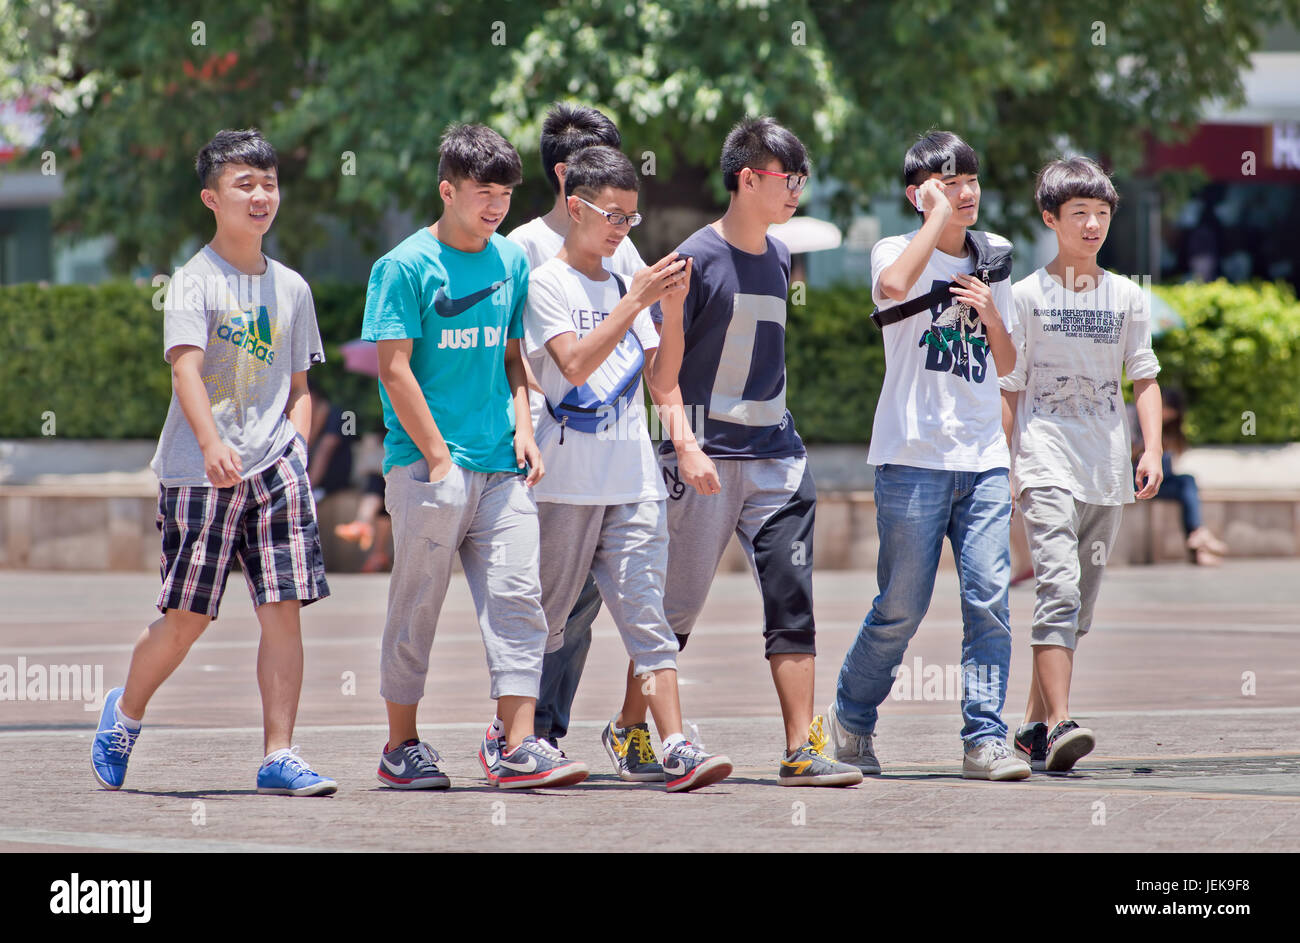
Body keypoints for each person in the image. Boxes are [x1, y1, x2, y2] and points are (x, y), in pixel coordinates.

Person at [92, 128, 335, 796]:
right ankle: (126, 714)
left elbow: (302, 389)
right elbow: (186, 374)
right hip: (200, 472)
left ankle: (279, 754)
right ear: (212, 197)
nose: (261, 196)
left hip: (274, 468)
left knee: (282, 607)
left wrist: (298, 450)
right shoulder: (194, 282)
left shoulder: (292, 289)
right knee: (187, 619)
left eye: (269, 183)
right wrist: (210, 444)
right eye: (244, 184)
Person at [362, 123, 587, 791]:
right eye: (483, 193)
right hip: (428, 468)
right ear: (447, 190)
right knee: (417, 606)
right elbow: (394, 368)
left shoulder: (511, 262)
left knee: (521, 599)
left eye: (506, 195)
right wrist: (436, 457)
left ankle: (517, 744)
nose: (496, 207)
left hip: (500, 465)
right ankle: (400, 745)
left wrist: (524, 424)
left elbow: (516, 360)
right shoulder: (403, 266)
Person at [506, 143, 731, 792]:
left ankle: (676, 741)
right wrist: (632, 303)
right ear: (574, 207)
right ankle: (518, 737)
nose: (621, 229)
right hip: (567, 479)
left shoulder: (624, 281)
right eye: (611, 215)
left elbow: (662, 375)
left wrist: (673, 310)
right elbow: (571, 365)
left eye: (630, 218)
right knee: (544, 621)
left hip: (632, 476)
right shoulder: (546, 279)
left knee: (646, 614)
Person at [648, 116, 862, 787]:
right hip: (703, 461)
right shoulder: (693, 259)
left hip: (776, 457)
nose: (795, 190)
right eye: (785, 178)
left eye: (800, 178)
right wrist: (685, 447)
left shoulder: (778, 254)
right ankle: (632, 724)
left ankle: (802, 747)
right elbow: (663, 375)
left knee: (792, 597)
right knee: (671, 613)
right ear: (747, 179)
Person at [827, 130, 1029, 781]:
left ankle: (985, 739)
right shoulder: (896, 249)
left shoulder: (994, 258)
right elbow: (891, 284)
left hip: (983, 458)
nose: (966, 192)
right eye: (950, 182)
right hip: (912, 457)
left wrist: (990, 310)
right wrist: (936, 218)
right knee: (901, 605)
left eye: (971, 180)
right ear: (920, 194)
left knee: (990, 598)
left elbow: (1008, 362)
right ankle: (852, 718)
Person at [1001, 157, 1164, 772]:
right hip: (1045, 461)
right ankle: (1063, 721)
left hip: (1106, 468)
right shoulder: (1024, 297)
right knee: (1059, 590)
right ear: (1051, 219)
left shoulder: (1127, 296)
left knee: (1078, 610)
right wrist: (1006, 463)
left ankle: (1031, 729)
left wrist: (1151, 448)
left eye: (1101, 214)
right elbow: (1009, 386)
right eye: (1079, 215)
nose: (1093, 225)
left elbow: (1143, 377)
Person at [506, 102, 646, 753]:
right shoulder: (525, 251)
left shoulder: (622, 244)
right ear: (567, 178)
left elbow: (645, 339)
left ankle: (550, 730)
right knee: (550, 602)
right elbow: (514, 355)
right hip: (550, 455)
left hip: (614, 456)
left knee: (586, 605)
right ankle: (520, 730)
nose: (619, 220)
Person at [1130, 389, 1228, 565]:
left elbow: (1171, 463)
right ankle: (1199, 539)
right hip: (1132, 479)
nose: (1166, 415)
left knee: (1187, 481)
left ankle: (1197, 538)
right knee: (1184, 483)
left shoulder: (1168, 429)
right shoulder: (1133, 418)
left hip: (1157, 480)